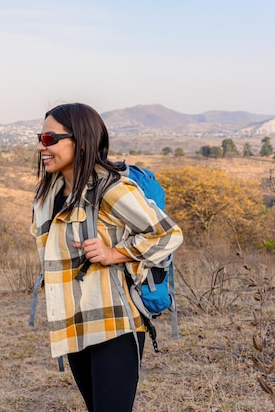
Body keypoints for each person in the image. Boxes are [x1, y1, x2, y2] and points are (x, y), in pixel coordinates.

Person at [30, 103, 183, 411]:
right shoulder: (48, 196)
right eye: (40, 138)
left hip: (115, 324)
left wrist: (115, 253)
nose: (41, 147)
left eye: (50, 139)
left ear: (81, 141)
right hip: (74, 323)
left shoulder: (112, 189)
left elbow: (168, 234)